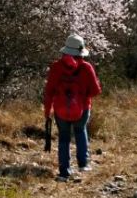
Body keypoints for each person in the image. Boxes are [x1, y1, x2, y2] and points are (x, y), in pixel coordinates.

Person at [43, 34, 101, 182]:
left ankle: (64, 172)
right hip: (82, 107)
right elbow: (96, 91)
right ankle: (83, 164)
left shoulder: (56, 67)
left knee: (63, 137)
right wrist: (83, 95)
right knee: (80, 131)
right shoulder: (86, 67)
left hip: (60, 109)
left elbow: (49, 91)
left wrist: (47, 112)